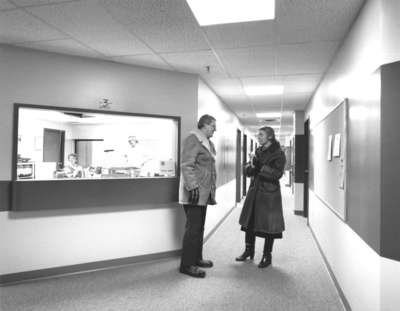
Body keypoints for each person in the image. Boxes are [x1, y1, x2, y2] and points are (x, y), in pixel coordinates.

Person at [236, 126, 286, 268]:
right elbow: (250, 169)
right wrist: (250, 167)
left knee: (269, 226)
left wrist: (260, 167)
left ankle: (267, 256)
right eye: (258, 134)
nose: (258, 137)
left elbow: (277, 174)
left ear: (270, 137)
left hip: (270, 193)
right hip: (255, 190)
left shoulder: (278, 153)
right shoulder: (258, 151)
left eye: (261, 134)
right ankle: (248, 250)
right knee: (249, 222)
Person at [179, 114, 217, 278]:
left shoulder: (209, 142)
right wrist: (193, 186)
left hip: (204, 192)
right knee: (192, 229)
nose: (215, 129)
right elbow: (187, 165)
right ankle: (187, 265)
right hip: (194, 192)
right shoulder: (193, 138)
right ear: (205, 125)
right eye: (213, 126)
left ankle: (197, 258)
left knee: (199, 227)